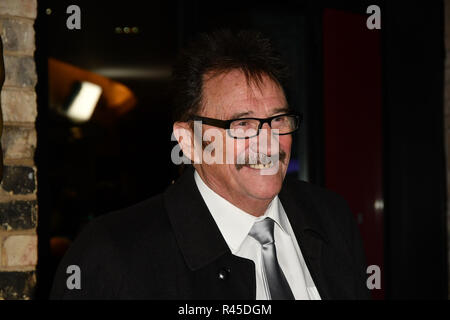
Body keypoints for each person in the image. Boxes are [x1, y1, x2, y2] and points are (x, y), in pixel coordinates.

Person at [50, 29, 370, 300]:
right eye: (243, 124)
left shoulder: (330, 217)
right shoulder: (112, 254)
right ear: (189, 141)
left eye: (278, 119)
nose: (268, 141)